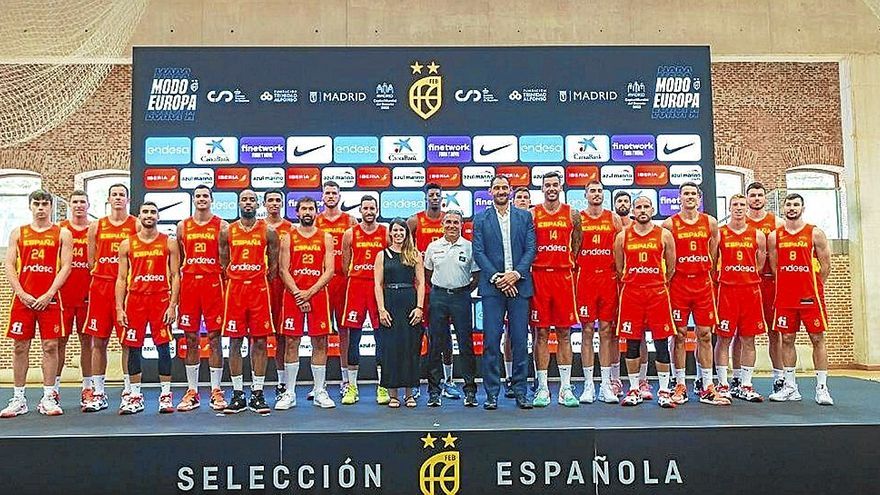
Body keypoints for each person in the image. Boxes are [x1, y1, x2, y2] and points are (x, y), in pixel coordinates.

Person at [2, 190, 72, 417]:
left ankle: (48, 397)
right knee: (20, 346)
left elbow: (66, 267)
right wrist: (21, 293)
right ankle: (19, 398)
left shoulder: (62, 233)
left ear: (51, 207)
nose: (41, 208)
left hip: (50, 299)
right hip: (23, 299)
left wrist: (50, 293)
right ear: (30, 207)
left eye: (44, 204)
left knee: (50, 346)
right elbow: (10, 266)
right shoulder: (18, 233)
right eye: (36, 204)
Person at [662, 182, 729, 406]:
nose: (689, 197)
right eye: (685, 194)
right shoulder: (670, 224)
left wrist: (703, 273)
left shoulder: (710, 222)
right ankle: (679, 383)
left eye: (693, 194)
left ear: (699, 198)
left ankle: (707, 385)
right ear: (679, 198)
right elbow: (668, 259)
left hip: (702, 285)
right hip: (679, 285)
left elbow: (712, 254)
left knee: (705, 335)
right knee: (679, 335)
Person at [473, 175, 536, 410]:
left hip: (519, 287)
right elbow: (478, 252)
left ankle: (520, 390)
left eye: (504, 188)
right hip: (493, 288)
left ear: (510, 191)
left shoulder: (524, 216)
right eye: (496, 188)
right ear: (490, 192)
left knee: (520, 340)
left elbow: (531, 249)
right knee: (490, 342)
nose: (500, 191)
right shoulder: (480, 219)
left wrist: (515, 275)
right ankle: (491, 393)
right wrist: (498, 277)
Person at [768, 194, 834, 405]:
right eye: (788, 204)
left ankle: (822, 388)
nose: (792, 208)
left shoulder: (815, 233)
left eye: (796, 204)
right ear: (783, 208)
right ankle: (790, 387)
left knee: (817, 339)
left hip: (810, 297)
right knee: (786, 339)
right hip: (786, 298)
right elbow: (775, 267)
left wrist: (813, 286)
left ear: (802, 208)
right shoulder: (774, 236)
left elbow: (825, 266)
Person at [114, 202, 180, 414]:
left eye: (153, 211)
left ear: (158, 216)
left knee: (163, 347)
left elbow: (175, 275)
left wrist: (172, 305)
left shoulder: (169, 242)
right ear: (139, 216)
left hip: (160, 299)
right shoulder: (127, 244)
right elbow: (122, 278)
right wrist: (119, 308)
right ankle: (134, 395)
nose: (149, 215)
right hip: (135, 301)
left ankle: (165, 395)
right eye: (146, 212)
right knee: (134, 347)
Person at [219, 190, 280, 414]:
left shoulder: (269, 231)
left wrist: (258, 277)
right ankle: (237, 394)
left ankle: (257, 392)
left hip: (258, 290)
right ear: (238, 204)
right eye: (244, 199)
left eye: (251, 200)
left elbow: (273, 264)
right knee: (235, 342)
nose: (247, 203)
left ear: (258, 204)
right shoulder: (227, 231)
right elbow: (224, 261)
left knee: (261, 341)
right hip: (235, 291)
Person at [614, 196, 676, 408]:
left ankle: (665, 391)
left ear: (652, 209)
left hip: (657, 294)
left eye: (646, 207)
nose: (642, 210)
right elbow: (619, 266)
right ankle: (633, 389)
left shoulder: (664, 235)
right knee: (632, 343)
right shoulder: (623, 236)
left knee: (660, 344)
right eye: (638, 207)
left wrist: (658, 282)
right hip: (631, 294)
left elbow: (672, 266)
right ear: (633, 210)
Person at [83, 184, 138, 413]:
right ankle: (98, 391)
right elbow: (90, 261)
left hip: (126, 288)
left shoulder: (135, 224)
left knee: (127, 341)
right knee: (98, 341)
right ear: (108, 199)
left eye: (121, 195)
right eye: (114, 194)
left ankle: (128, 390)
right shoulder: (97, 225)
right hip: (101, 287)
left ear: (127, 199)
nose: (118, 198)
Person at [276, 197, 336, 410]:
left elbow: (329, 270)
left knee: (320, 342)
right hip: (293, 296)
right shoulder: (287, 237)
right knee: (291, 342)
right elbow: (283, 269)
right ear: (297, 212)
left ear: (316, 211)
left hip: (318, 295)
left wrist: (309, 292)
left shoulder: (326, 237)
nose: (307, 212)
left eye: (311, 208)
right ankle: (289, 392)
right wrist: (297, 293)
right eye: (304, 209)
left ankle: (319, 390)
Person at [175, 185, 229, 412]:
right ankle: (192, 390)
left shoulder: (222, 226)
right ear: (193, 200)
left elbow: (226, 261)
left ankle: (216, 390)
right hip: (189, 284)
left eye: (205, 196)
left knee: (215, 338)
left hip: (213, 284)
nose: (201, 199)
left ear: (212, 200)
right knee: (190, 337)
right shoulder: (182, 226)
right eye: (198, 196)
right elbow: (178, 260)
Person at [530, 171, 581, 407]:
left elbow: (577, 243)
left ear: (561, 187)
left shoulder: (572, 214)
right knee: (540, 333)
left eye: (555, 184)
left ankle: (566, 388)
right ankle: (542, 388)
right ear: (541, 189)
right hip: (539, 277)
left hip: (563, 277)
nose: (551, 188)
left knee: (564, 333)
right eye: (547, 184)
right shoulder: (532, 213)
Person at [713, 195, 767, 402]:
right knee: (724, 338)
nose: (738, 208)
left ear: (747, 208)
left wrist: (747, 275)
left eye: (742, 205)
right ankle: (723, 383)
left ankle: (745, 384)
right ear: (729, 207)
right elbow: (714, 261)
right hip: (727, 291)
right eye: (734, 205)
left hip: (750, 291)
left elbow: (760, 263)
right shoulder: (720, 233)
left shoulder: (758, 235)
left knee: (748, 339)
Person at [423, 211, 479, 407]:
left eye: (456, 222)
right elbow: (428, 273)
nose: (452, 225)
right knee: (435, 345)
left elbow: (476, 276)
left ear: (462, 225)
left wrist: (461, 290)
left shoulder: (469, 247)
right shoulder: (433, 247)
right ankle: (434, 392)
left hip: (461, 297)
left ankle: (470, 391)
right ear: (442, 225)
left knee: (466, 345)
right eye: (448, 222)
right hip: (438, 297)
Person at [576, 181, 623, 404]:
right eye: (592, 191)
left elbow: (621, 247)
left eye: (599, 191)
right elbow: (573, 249)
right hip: (585, 279)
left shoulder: (612, 218)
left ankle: (606, 384)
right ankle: (588, 385)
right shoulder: (578, 218)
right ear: (585, 195)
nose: (596, 194)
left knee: (606, 331)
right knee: (586, 330)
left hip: (607, 279)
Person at [408, 183, 455, 400]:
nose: (434, 198)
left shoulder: (449, 219)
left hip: (443, 285)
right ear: (426, 198)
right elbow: (403, 248)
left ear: (442, 198)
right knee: (416, 336)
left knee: (444, 336)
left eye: (438, 195)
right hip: (420, 287)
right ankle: (414, 382)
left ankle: (449, 381)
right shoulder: (415, 221)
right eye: (431, 195)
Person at [340, 196, 388, 405]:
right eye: (365, 208)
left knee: (381, 338)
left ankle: (383, 386)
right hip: (357, 286)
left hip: (377, 287)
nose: (369, 211)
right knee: (354, 338)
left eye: (372, 208)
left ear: (377, 210)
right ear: (360, 210)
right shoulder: (350, 234)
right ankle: (352, 387)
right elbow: (344, 265)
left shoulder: (385, 233)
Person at [374, 218, 425, 408]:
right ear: (390, 234)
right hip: (390, 303)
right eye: (395, 231)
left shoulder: (414, 254)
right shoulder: (382, 255)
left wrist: (419, 307)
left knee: (410, 348)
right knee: (391, 350)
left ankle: (409, 393)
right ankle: (393, 394)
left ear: (407, 233)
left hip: (410, 302)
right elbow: (377, 284)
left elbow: (420, 283)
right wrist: (381, 309)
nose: (398, 234)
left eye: (401, 231)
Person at [315, 181, 357, 396]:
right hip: (321, 282)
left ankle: (345, 380)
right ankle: (319, 384)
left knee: (344, 331)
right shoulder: (316, 220)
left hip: (343, 281)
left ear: (339, 197)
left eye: (334, 193)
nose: (330, 196)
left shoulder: (350, 220)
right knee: (319, 332)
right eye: (327, 193)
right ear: (322, 197)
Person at [745, 182, 784, 394]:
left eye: (760, 195)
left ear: (765, 198)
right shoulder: (740, 222)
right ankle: (740, 379)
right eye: (753, 195)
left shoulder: (777, 222)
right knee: (741, 334)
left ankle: (779, 378)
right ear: (747, 198)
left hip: (770, 282)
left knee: (774, 332)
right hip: (746, 284)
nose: (756, 198)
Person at [58, 190, 92, 407]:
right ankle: (53, 389)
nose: (79, 205)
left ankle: (88, 388)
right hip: (63, 295)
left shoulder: (95, 229)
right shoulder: (60, 230)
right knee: (58, 342)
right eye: (75, 202)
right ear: (70, 205)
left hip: (88, 295)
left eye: (82, 202)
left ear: (88, 205)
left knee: (87, 342)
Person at [503, 186, 533, 398]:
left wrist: (518, 274)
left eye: (526, 197)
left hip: (530, 283)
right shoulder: (508, 220)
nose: (522, 200)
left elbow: (532, 249)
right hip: (505, 283)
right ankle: (508, 376)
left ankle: (532, 378)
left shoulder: (532, 219)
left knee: (531, 334)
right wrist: (510, 276)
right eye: (519, 197)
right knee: (508, 334)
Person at [264, 189, 294, 397]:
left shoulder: (291, 228)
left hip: (284, 287)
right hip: (261, 287)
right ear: (264, 204)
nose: (274, 203)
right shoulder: (258, 227)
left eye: (277, 200)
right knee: (259, 336)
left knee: (284, 335)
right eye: (270, 200)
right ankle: (254, 385)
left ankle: (282, 382)